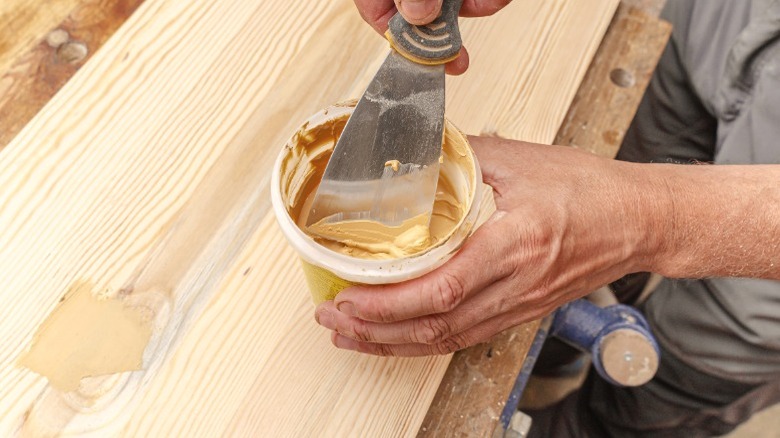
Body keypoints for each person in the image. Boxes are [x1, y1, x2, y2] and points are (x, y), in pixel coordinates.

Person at [315, 0, 780, 435]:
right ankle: (558, 352)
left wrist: (654, 217)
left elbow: (641, 216)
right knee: (603, 223)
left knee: (659, 393)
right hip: (723, 20)